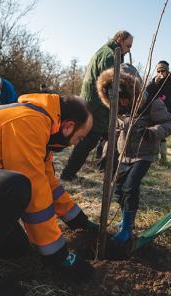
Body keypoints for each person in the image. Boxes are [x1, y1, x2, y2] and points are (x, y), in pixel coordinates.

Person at [0, 93, 99, 294]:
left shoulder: (42, 129)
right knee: (17, 187)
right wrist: (58, 254)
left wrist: (77, 219)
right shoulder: (28, 121)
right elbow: (34, 187)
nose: (76, 143)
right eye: (79, 137)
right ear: (68, 126)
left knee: (17, 247)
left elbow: (48, 182)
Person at [95, 65, 171, 246]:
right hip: (124, 154)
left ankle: (127, 229)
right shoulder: (117, 108)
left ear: (132, 91)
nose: (121, 104)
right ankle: (125, 221)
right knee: (120, 188)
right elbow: (114, 132)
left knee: (131, 186)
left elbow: (168, 122)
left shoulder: (152, 103)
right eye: (116, 100)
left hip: (144, 153)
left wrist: (152, 132)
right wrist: (107, 154)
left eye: (123, 99)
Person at [61, 30, 133, 181]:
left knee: (109, 138)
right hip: (97, 105)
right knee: (91, 140)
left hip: (95, 103)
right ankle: (68, 174)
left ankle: (106, 171)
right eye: (128, 45)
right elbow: (110, 83)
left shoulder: (106, 51)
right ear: (119, 39)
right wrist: (122, 99)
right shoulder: (110, 55)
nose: (129, 49)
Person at [145, 60, 171, 162]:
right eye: (158, 71)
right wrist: (154, 84)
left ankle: (163, 159)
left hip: (167, 112)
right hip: (155, 112)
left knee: (162, 134)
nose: (160, 74)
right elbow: (146, 93)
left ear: (167, 71)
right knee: (155, 133)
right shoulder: (154, 82)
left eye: (163, 71)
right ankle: (154, 157)